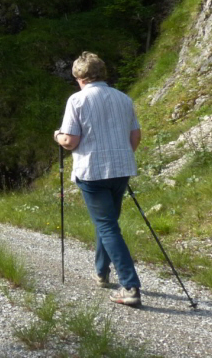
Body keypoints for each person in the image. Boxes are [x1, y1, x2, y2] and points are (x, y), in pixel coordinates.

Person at [53, 52, 143, 306]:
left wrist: (58, 135)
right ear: (102, 74)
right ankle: (102, 273)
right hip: (121, 168)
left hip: (92, 171)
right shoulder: (123, 98)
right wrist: (121, 157)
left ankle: (130, 286)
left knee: (107, 226)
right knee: (108, 223)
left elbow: (71, 141)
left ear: (80, 77)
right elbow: (135, 137)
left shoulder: (78, 100)